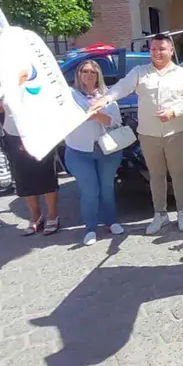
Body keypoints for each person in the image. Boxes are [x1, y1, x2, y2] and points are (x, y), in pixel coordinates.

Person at [91, 34, 183, 234]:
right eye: (153, 49)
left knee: (177, 173)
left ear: (171, 51)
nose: (157, 53)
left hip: (176, 132)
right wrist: (105, 99)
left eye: (162, 49)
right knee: (156, 175)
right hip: (148, 134)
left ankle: (182, 212)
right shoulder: (140, 72)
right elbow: (122, 87)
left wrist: (174, 111)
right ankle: (160, 214)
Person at [66, 60, 125, 246]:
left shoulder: (107, 95)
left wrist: (98, 116)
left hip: (106, 150)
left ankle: (111, 221)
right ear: (78, 74)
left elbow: (116, 122)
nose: (88, 75)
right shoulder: (70, 96)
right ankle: (90, 228)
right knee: (89, 191)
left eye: (92, 71)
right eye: (84, 71)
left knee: (107, 188)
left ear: (98, 74)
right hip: (78, 150)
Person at [0, 101, 60, 236]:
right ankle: (36, 215)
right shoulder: (4, 86)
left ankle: (52, 215)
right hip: (14, 134)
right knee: (23, 177)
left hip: (41, 132)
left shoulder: (37, 81)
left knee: (46, 174)